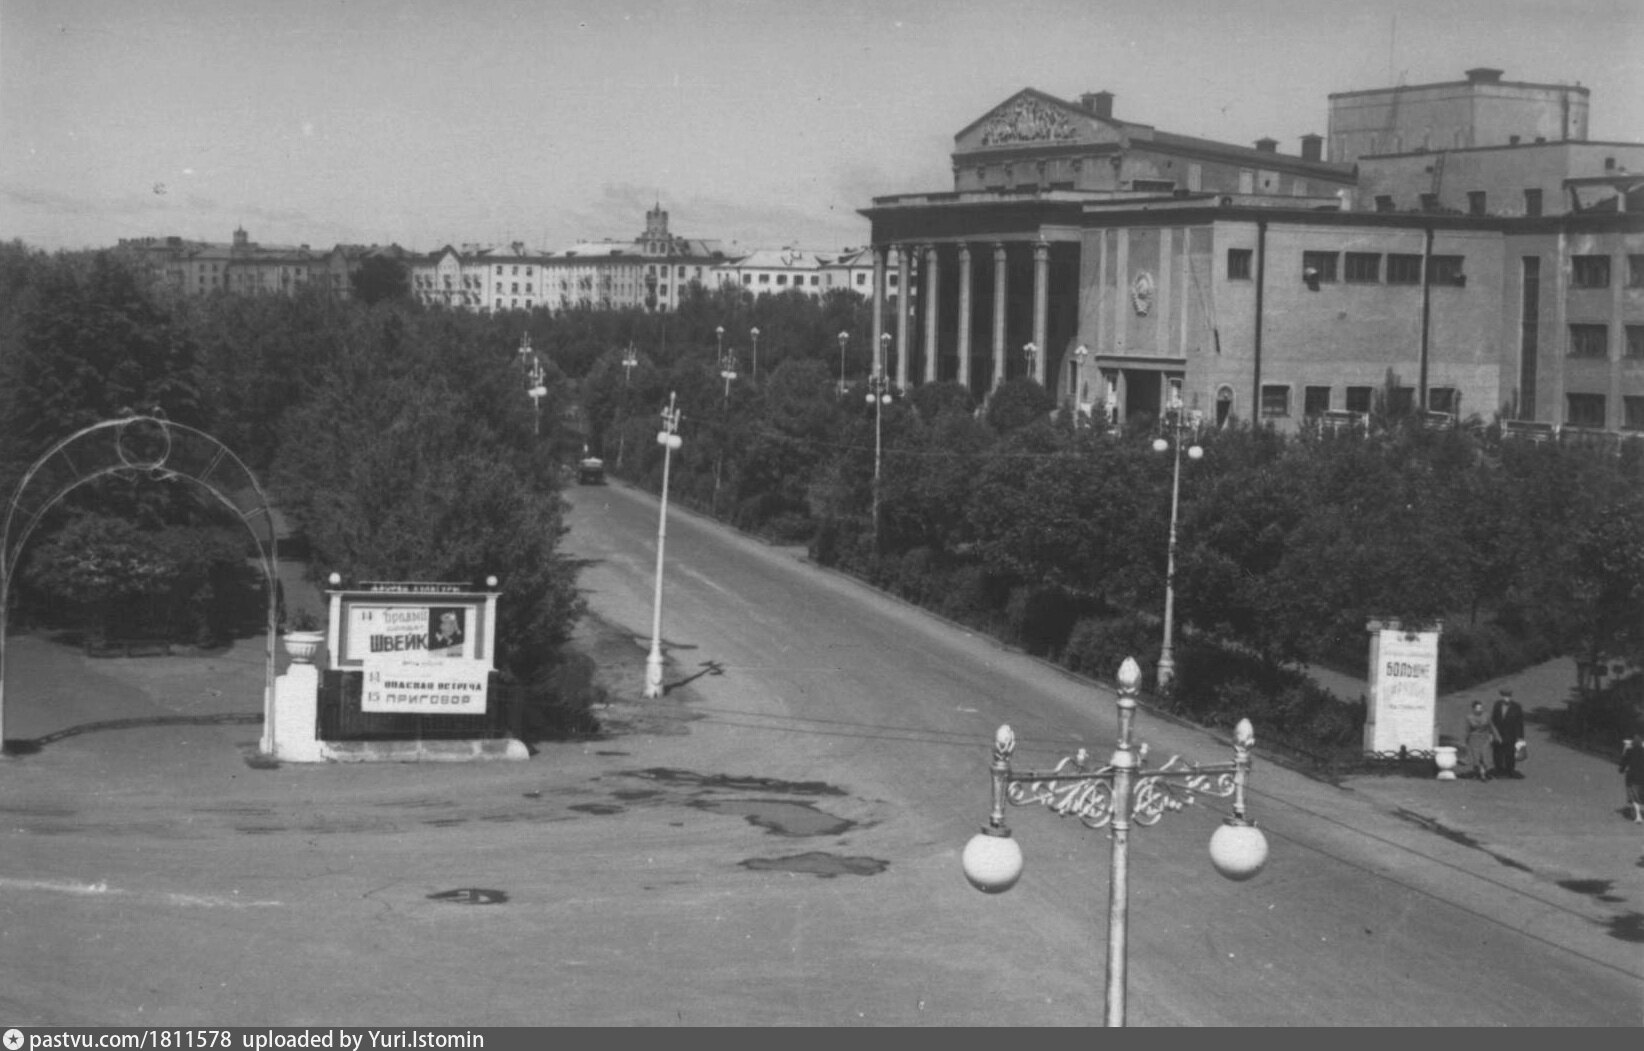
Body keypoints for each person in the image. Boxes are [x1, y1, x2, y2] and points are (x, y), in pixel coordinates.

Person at [1490, 687, 1526, 779]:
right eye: (1504, 696)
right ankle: (1498, 770)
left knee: (1510, 753)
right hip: (1498, 734)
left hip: (1511, 734)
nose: (1506, 698)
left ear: (1510, 696)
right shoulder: (1497, 705)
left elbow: (1520, 723)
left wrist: (1520, 737)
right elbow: (1493, 720)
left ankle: (1510, 771)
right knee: (1497, 753)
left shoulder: (1516, 707)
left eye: (1508, 696)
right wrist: (1491, 734)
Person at [1464, 700, 1493, 781]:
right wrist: (1466, 740)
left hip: (1484, 738)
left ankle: (1483, 773)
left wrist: (1492, 736)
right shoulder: (1469, 718)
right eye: (1477, 708)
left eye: (1481, 708)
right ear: (1473, 709)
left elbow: (1491, 727)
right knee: (1476, 757)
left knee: (1484, 755)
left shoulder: (1486, 716)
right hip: (1474, 739)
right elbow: (1467, 730)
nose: (1480, 709)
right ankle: (1479, 773)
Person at [1620, 735, 1644, 823]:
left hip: (1632, 778)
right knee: (1641, 796)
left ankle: (1638, 816)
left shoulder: (1629, 751)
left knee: (1634, 797)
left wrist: (1621, 770)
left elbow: (1623, 763)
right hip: (1642, 777)